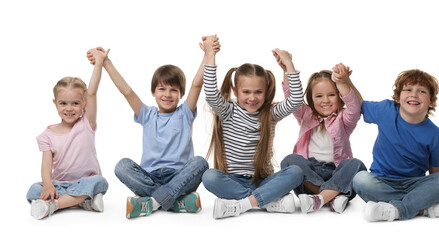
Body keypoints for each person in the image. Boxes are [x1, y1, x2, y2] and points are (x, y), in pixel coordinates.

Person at [86, 36, 219, 219]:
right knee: (122, 166)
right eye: (162, 89)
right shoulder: (147, 115)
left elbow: (197, 83)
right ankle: (175, 201)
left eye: (173, 90)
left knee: (200, 163)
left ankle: (154, 202)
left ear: (181, 94)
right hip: (150, 177)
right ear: (153, 92)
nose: (167, 94)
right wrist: (107, 62)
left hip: (180, 176)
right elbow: (127, 91)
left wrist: (207, 54)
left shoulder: (185, 113)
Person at [201, 38, 304, 219]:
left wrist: (288, 65)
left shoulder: (271, 113)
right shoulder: (228, 111)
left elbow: (296, 100)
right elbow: (210, 92)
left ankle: (243, 204)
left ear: (266, 90)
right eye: (246, 92)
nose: (252, 98)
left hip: (263, 180)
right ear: (235, 90)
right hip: (233, 180)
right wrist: (210, 55)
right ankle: (268, 201)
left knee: (295, 172)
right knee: (209, 177)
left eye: (258, 92)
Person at [352, 69, 439, 221]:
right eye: (408, 89)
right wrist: (345, 81)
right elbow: (359, 105)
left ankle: (397, 210)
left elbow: (436, 171)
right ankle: (423, 207)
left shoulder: (437, 135)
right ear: (398, 98)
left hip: (415, 183)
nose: (414, 94)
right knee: (360, 179)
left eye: (422, 91)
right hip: (381, 181)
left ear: (431, 102)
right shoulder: (386, 110)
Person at [26, 48, 109, 220]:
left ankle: (54, 205)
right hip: (60, 185)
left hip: (86, 181)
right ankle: (83, 202)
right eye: (63, 103)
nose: (69, 108)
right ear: (55, 103)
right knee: (34, 190)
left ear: (84, 104)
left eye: (75, 103)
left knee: (100, 182)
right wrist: (48, 185)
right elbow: (46, 166)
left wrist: (99, 64)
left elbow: (92, 92)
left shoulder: (87, 123)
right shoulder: (47, 135)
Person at [280, 63, 367, 214]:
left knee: (356, 164)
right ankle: (332, 197)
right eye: (319, 96)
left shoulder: (344, 119)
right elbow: (291, 97)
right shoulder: (305, 115)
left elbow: (354, 107)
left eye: (331, 95)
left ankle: (319, 199)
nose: (325, 100)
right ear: (311, 99)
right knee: (289, 160)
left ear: (340, 97)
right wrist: (287, 70)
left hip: (337, 171)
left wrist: (342, 82)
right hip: (311, 173)